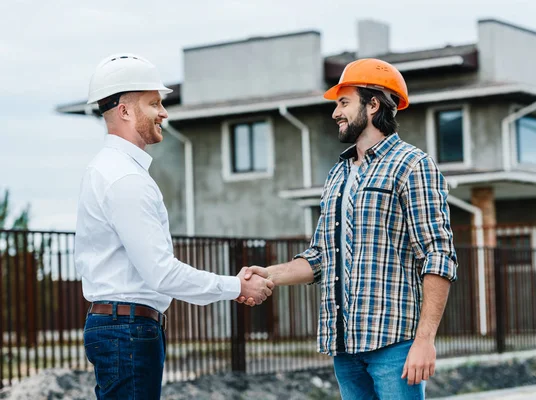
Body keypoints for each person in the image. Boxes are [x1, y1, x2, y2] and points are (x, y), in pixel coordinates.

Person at [238, 58, 458, 399]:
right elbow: (321, 257)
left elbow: (438, 255)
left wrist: (425, 340)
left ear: (373, 104)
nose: (335, 113)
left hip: (394, 344)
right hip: (345, 346)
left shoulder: (412, 165)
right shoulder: (337, 175)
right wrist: (269, 274)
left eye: (344, 102)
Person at [75, 54, 274, 400]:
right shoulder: (124, 178)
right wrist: (234, 285)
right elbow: (161, 273)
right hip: (128, 329)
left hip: (124, 327)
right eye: (154, 103)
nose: (164, 113)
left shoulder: (112, 169)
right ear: (123, 111)